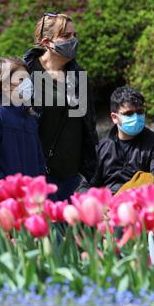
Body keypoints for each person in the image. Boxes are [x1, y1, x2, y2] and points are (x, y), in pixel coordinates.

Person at [23, 12, 98, 201]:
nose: (73, 40)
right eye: (66, 36)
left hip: (74, 178)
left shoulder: (79, 75)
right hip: (38, 177)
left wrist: (90, 172)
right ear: (46, 41)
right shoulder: (26, 72)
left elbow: (88, 125)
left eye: (74, 35)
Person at [0, 57, 46, 191]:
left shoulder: (30, 118)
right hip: (3, 198)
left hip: (29, 198)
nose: (28, 84)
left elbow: (39, 161)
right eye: (21, 80)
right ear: (4, 84)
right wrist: (5, 191)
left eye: (28, 79)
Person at [90, 86, 154, 194]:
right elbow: (89, 184)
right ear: (114, 117)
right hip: (107, 206)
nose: (136, 117)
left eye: (140, 112)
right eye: (128, 113)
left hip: (141, 205)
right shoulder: (101, 148)